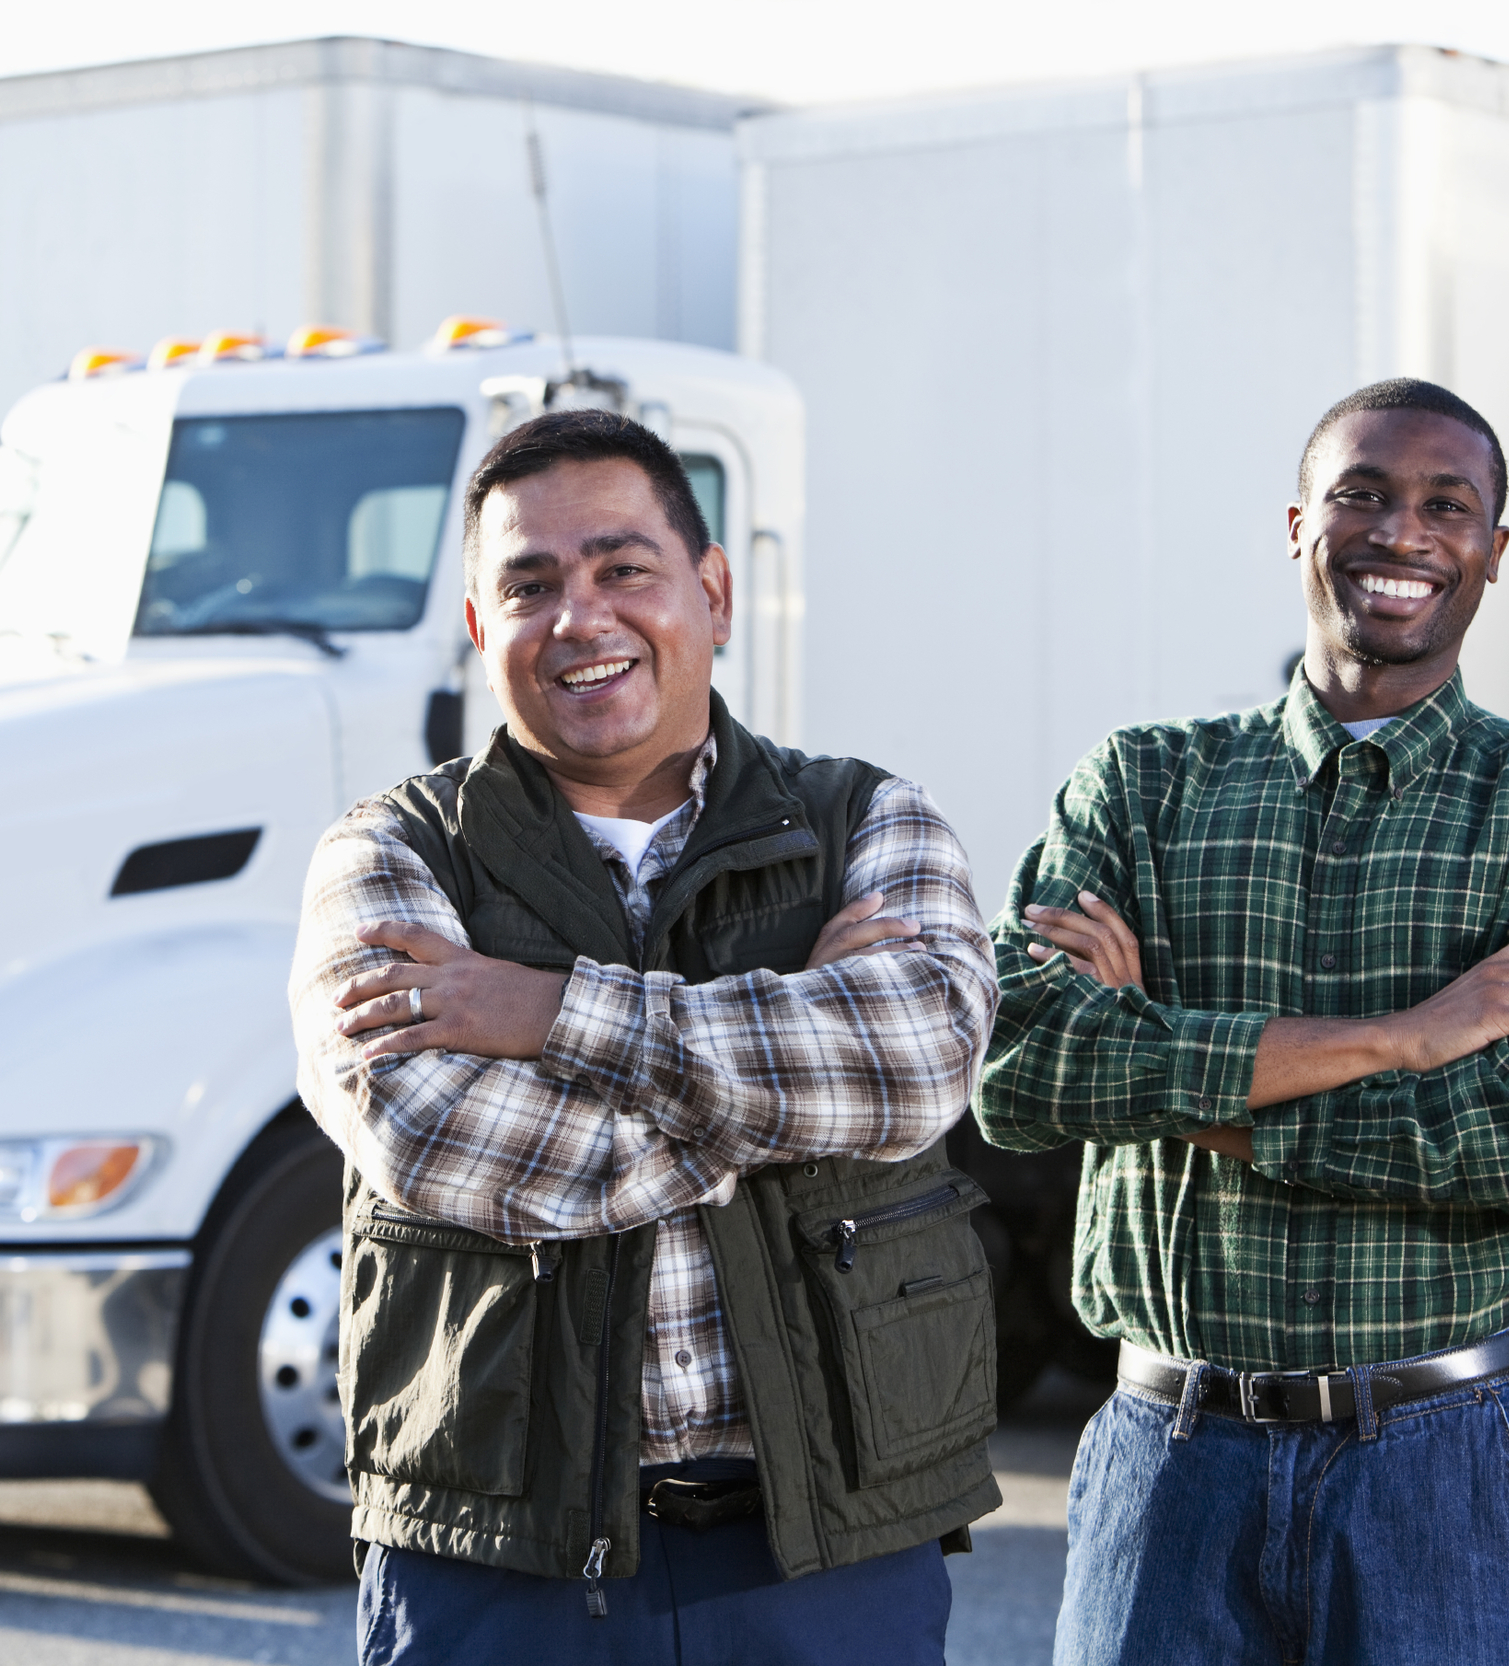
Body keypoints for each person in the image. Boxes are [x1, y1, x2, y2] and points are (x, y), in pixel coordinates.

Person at [290, 408, 1001, 1666]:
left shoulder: (869, 820)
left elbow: (920, 1061)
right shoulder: (389, 854)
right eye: (529, 584)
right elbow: (440, 1136)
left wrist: (549, 1013)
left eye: (624, 568)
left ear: (713, 593)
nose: (581, 618)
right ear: (477, 629)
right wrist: (776, 1093)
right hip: (498, 1565)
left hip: (821, 1554)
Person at [975, 378, 1509, 1666]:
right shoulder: (1141, 783)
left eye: (1444, 505)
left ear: (1493, 553)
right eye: (1360, 493)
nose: (1399, 532)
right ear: (1298, 524)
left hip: (1444, 1471)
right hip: (1167, 1467)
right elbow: (1021, 1070)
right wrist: (1416, 1032)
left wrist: (1171, 1067)